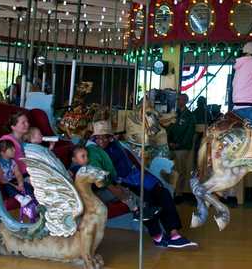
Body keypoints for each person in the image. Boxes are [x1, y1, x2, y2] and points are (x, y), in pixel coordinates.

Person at [90, 120, 197, 249]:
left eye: (105, 137)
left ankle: (174, 233)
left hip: (132, 177)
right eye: (98, 137)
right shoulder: (94, 152)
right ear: (94, 138)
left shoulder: (116, 146)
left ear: (110, 137)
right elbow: (100, 175)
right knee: (145, 198)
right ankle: (157, 236)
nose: (101, 140)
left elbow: (128, 166)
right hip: (116, 183)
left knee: (163, 192)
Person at [68, 144, 155, 221]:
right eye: (83, 156)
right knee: (119, 192)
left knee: (124, 189)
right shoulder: (76, 170)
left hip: (99, 190)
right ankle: (136, 210)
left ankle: (143, 206)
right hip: (93, 197)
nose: (86, 159)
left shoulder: (86, 167)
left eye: (87, 155)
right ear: (74, 160)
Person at [167, 93, 196, 199]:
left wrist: (179, 144)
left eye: (181, 99)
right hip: (170, 146)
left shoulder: (190, 116)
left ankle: (179, 193)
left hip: (182, 148)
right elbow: (169, 128)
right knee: (168, 168)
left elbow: (189, 133)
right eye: (178, 99)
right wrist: (169, 142)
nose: (179, 101)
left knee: (180, 171)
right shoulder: (173, 114)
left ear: (186, 101)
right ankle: (169, 191)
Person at [0, 140, 34, 208]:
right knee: (8, 187)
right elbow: (2, 180)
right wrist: (15, 186)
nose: (14, 150)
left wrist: (20, 184)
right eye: (11, 149)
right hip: (6, 183)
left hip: (13, 180)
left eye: (13, 148)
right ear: (2, 153)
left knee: (26, 185)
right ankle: (19, 198)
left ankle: (30, 198)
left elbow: (18, 174)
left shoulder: (12, 161)